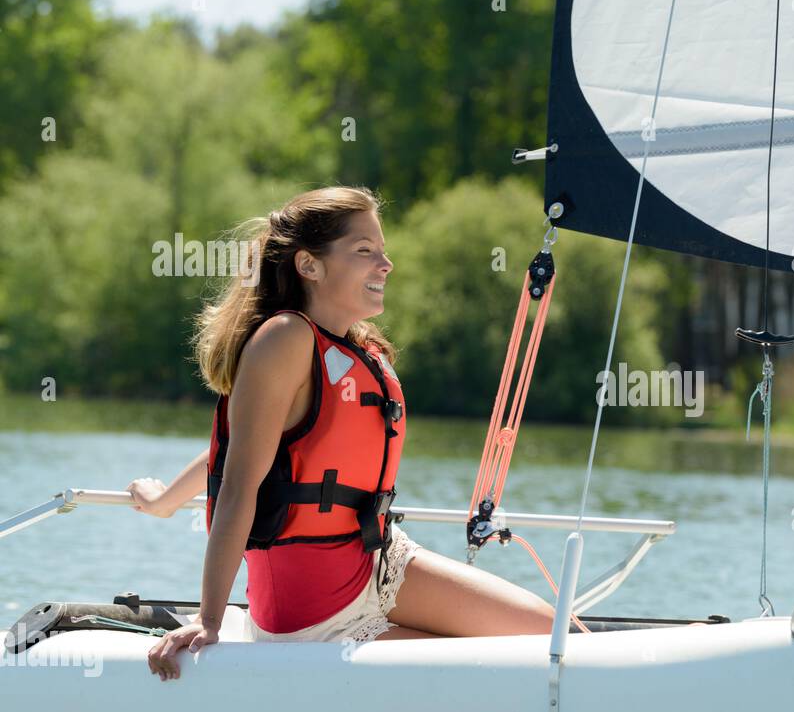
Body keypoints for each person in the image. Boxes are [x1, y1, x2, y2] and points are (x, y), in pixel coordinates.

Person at [131, 186, 578, 681]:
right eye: (365, 251)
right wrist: (208, 619)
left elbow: (263, 441)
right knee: (509, 669)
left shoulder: (357, 346)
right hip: (315, 612)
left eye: (383, 251)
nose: (385, 264)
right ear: (310, 266)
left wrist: (167, 499)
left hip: (382, 562)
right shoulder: (285, 338)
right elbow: (239, 480)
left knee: (560, 637)